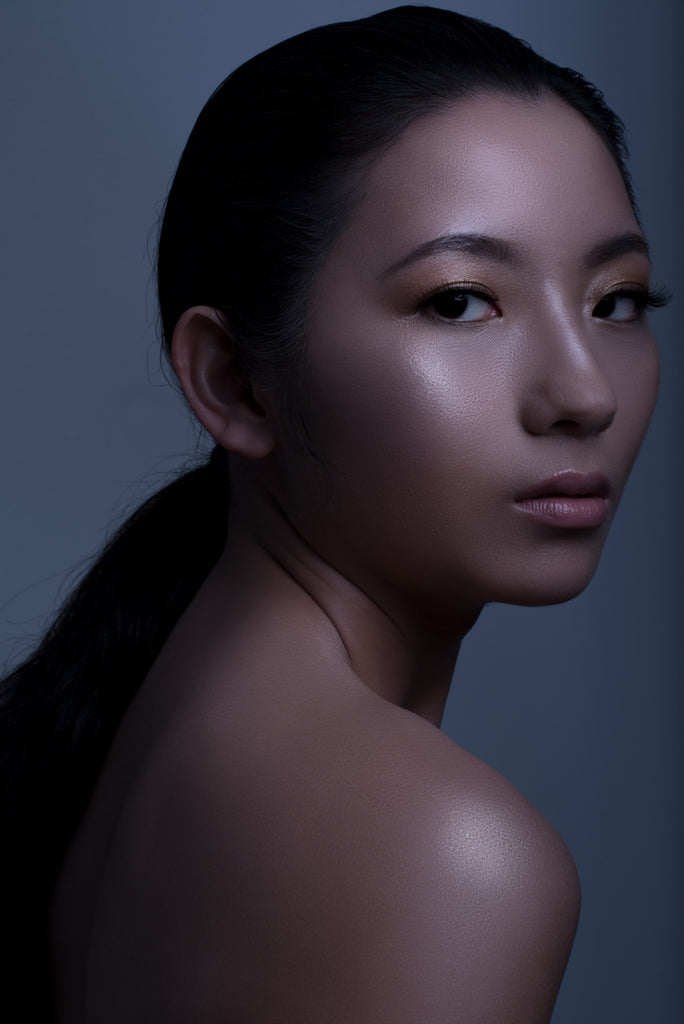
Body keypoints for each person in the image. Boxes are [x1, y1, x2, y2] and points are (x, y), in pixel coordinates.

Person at [0, 5, 669, 1021]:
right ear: (235, 381)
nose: (585, 393)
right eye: (459, 302)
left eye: (616, 300)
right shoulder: (442, 852)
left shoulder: (156, 708)